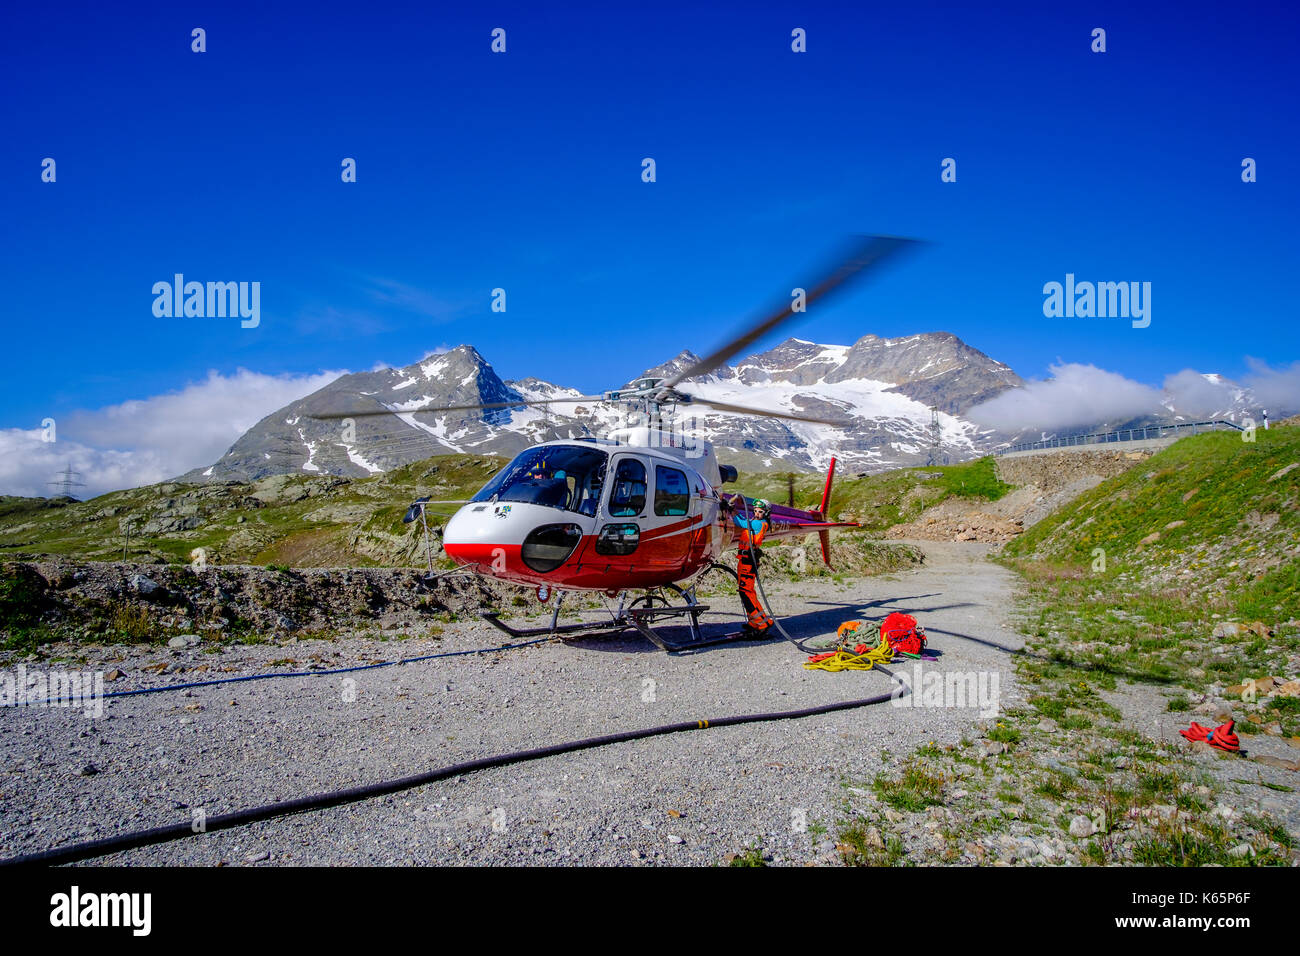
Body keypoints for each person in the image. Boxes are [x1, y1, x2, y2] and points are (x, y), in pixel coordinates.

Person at [730, 497, 775, 637]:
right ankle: (755, 622)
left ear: (766, 513)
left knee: (745, 592)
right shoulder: (757, 522)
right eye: (755, 511)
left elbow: (741, 522)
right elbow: (745, 520)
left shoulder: (758, 524)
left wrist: (731, 510)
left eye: (760, 511)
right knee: (747, 592)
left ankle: (761, 624)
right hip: (744, 559)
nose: (756, 513)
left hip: (748, 561)